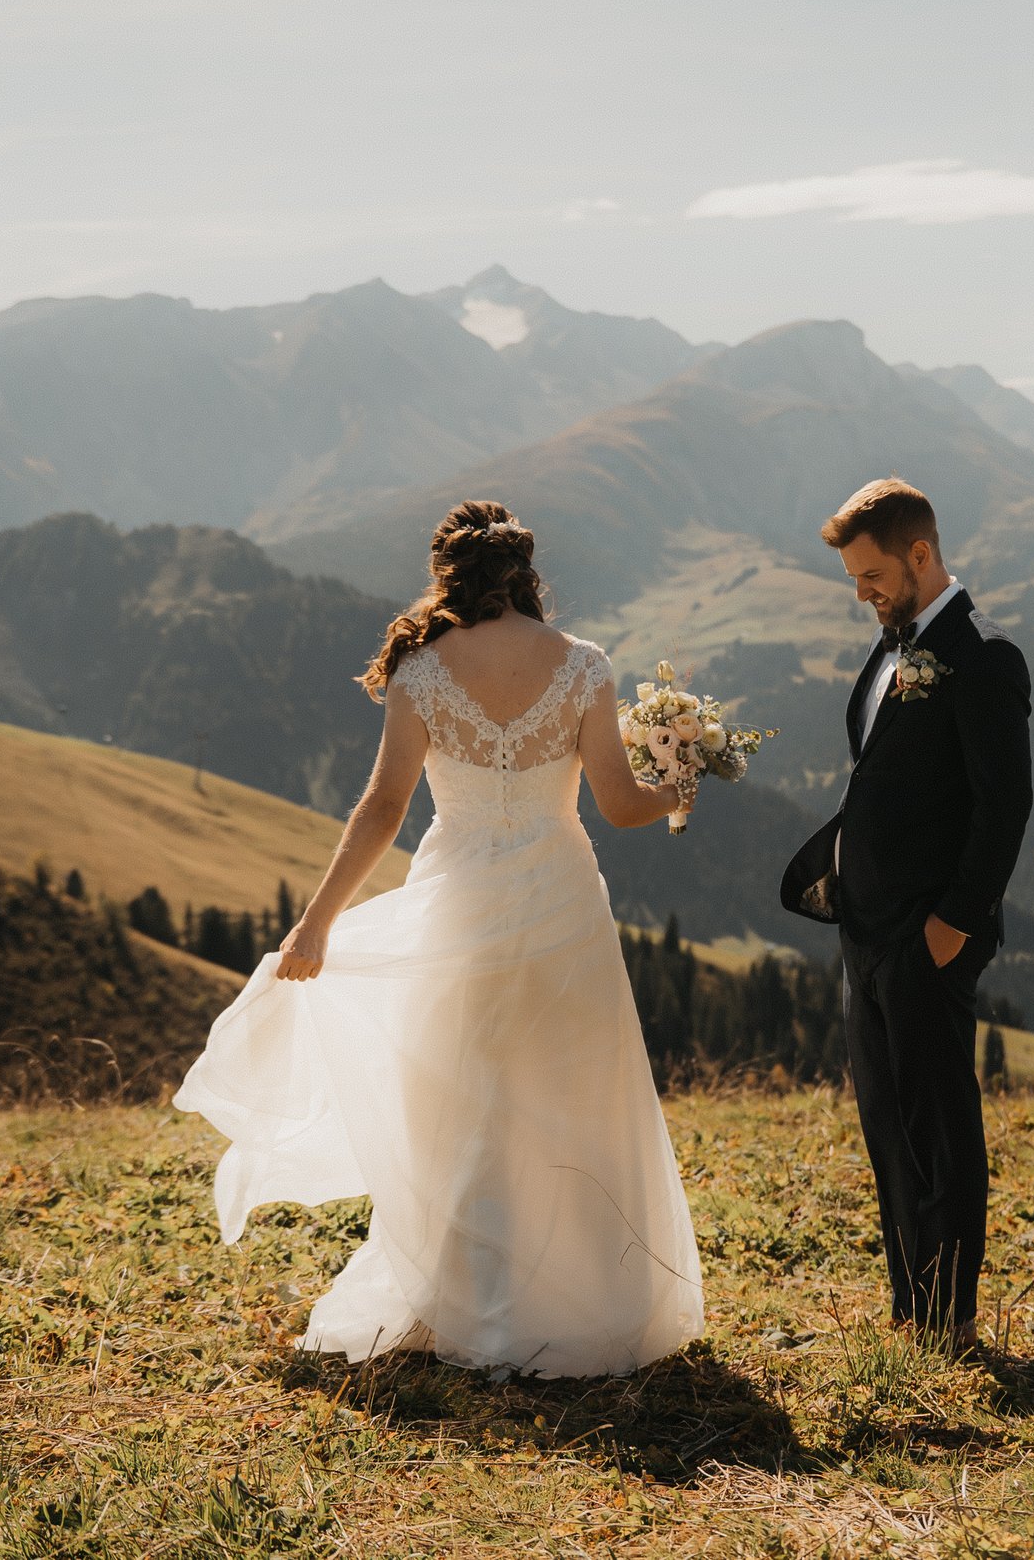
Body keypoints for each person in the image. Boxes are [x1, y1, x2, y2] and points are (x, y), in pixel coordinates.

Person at [174, 500, 704, 1377]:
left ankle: (471, 1301)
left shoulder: (422, 670)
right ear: (528, 574)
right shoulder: (583, 667)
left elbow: (382, 808)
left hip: (457, 906)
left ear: (449, 575)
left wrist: (318, 921)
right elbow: (619, 804)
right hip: (562, 906)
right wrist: (680, 781)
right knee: (572, 1095)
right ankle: (584, 1304)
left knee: (462, 1105)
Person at [779, 477, 1032, 1353]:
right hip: (866, 930)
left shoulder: (984, 654)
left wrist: (952, 923)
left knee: (940, 1119)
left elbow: (1005, 806)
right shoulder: (892, 647)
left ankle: (953, 1319)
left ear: (923, 554)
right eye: (855, 577)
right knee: (886, 1120)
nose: (864, 592)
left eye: (874, 573)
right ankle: (911, 1307)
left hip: (929, 934)